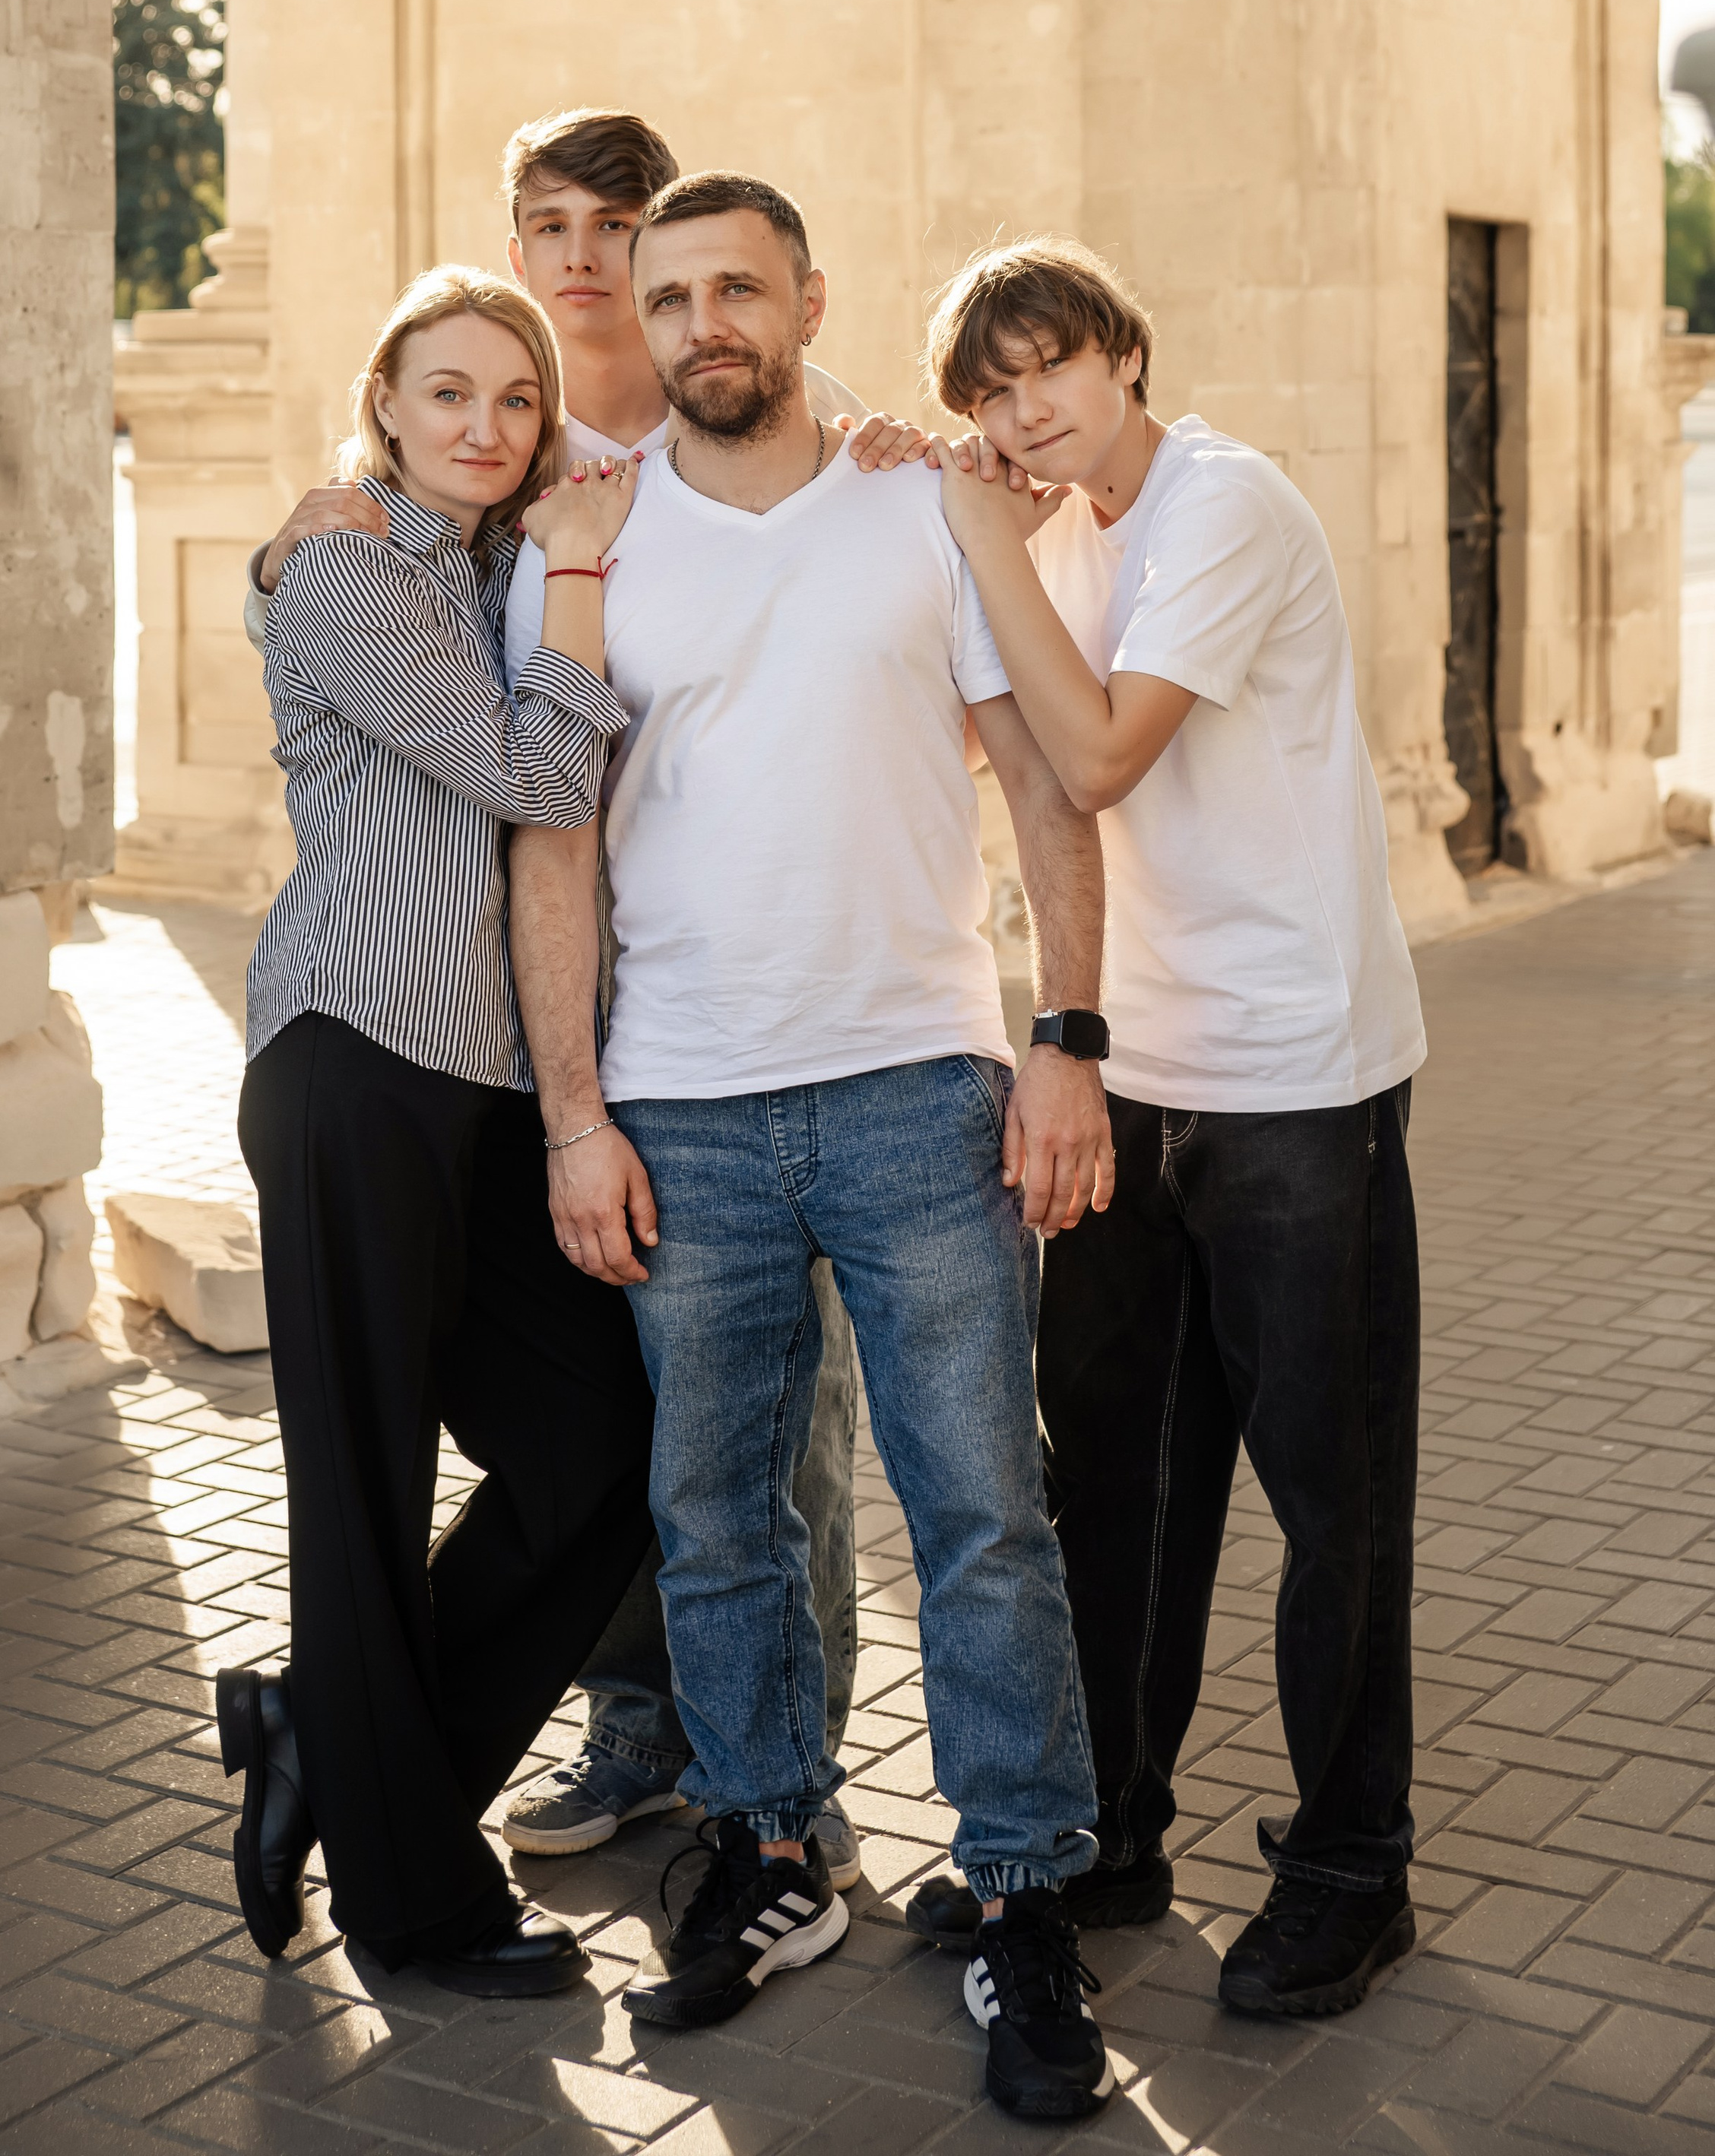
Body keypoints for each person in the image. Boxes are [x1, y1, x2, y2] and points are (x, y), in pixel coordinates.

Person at [240, 108, 923, 1888]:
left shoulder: (707, 429)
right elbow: (522, 773)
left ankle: (732, 1766)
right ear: (391, 400)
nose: (579, 253)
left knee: (700, 1440)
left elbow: (858, 459)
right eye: (543, 220)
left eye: (608, 223)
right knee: (428, 1473)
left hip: (686, 1035)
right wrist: (380, 538)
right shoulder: (442, 534)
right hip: (393, 1056)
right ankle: (466, 1814)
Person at [509, 174, 1117, 2126]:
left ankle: (1024, 1889)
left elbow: (1036, 780)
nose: (698, 318)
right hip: (679, 1097)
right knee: (719, 1518)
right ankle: (775, 1854)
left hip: (915, 1089)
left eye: (735, 287)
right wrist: (576, 1116)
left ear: (802, 302)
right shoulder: (588, 544)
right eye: (668, 290)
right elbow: (557, 843)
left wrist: (1062, 1045)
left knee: (980, 1515)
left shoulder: (920, 502)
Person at [908, 236, 1427, 2024]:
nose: (1023, 411)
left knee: (1329, 1498)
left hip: (1297, 1079)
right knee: (1111, 1478)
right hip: (1132, 1074)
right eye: (988, 392)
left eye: (1048, 369)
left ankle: (1352, 1873)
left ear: (1123, 353)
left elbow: (1106, 751)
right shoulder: (1048, 527)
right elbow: (981, 741)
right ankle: (1110, 1830)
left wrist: (976, 532)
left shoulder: (1224, 503)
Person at [222, 263, 657, 2000]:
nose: (486, 426)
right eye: (448, 393)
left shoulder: (474, 565)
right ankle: (412, 1905)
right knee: (363, 1484)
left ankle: (327, 1733)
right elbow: (543, 780)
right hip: (347, 1065)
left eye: (516, 400)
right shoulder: (341, 567)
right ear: (383, 406)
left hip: (474, 1096)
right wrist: (573, 567)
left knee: (600, 1447)